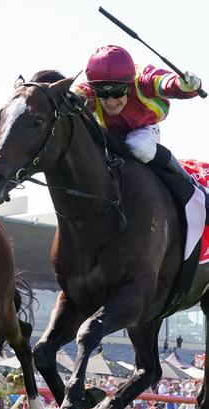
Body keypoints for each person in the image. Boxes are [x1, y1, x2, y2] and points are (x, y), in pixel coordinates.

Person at [75, 46, 206, 256]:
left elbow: (167, 83)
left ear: (128, 84)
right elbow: (69, 99)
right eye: (103, 94)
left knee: (139, 146)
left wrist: (186, 84)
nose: (110, 101)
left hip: (143, 130)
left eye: (117, 92)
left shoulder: (142, 78)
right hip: (110, 135)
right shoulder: (89, 90)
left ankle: (190, 183)